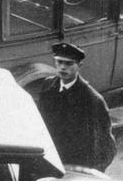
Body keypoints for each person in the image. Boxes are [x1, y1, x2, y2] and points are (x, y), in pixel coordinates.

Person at [34, 42, 116, 172]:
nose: (62, 67)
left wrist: (91, 174)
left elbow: (106, 145)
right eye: (59, 62)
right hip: (50, 162)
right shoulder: (47, 86)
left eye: (69, 64)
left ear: (79, 65)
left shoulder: (92, 99)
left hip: (76, 169)